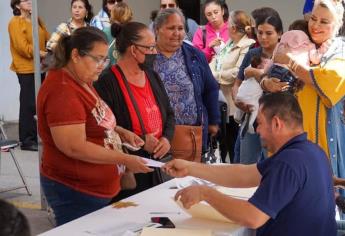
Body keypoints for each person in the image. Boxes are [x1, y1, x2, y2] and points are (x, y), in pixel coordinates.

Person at [163, 92, 337, 236]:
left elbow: (252, 217)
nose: (258, 130)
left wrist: (206, 193)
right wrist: (190, 168)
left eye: (259, 123)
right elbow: (245, 174)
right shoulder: (313, 151)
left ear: (276, 123)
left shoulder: (288, 162)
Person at [37, 27, 152, 226]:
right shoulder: (63, 90)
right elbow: (74, 146)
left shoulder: (82, 78)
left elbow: (92, 118)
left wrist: (118, 131)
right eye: (97, 59)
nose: (102, 65)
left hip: (93, 189)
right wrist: (124, 158)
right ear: (75, 55)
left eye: (105, 59)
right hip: (75, 190)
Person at [94, 22, 175, 198]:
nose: (155, 52)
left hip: (158, 165)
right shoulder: (107, 82)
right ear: (133, 50)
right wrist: (139, 141)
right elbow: (105, 129)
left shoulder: (152, 75)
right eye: (150, 47)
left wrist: (166, 139)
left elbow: (169, 113)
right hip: (131, 170)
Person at [267, 0, 345, 180]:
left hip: (322, 145)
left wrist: (289, 61)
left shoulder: (340, 50)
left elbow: (326, 82)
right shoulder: (300, 39)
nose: (315, 26)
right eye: (313, 19)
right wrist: (266, 82)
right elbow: (272, 67)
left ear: (337, 25)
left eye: (324, 22)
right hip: (288, 139)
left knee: (320, 197)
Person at [153, 8, 220, 156]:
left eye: (180, 28)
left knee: (189, 177)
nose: (177, 33)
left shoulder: (194, 55)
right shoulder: (147, 56)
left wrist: (214, 121)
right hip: (158, 135)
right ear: (158, 29)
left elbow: (211, 87)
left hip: (191, 133)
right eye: (171, 28)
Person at [232, 12, 283, 164]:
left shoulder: (285, 56)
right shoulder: (253, 53)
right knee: (246, 164)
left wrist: (256, 73)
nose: (263, 37)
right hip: (251, 119)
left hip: (276, 120)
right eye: (260, 33)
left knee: (273, 166)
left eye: (269, 33)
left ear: (279, 34)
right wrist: (237, 101)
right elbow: (237, 83)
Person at [209, 10, 255, 163]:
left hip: (234, 106)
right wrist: (215, 72)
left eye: (228, 24)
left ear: (234, 28)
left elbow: (237, 72)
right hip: (220, 103)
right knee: (223, 146)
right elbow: (214, 62)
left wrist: (215, 75)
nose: (226, 27)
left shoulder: (248, 46)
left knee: (234, 147)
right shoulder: (229, 44)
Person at [8, 0, 50, 151]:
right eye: (25, 0)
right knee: (28, 104)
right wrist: (40, 53)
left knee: (38, 103)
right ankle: (26, 140)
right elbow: (21, 47)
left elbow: (46, 36)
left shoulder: (35, 19)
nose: (30, 2)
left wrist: (49, 49)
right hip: (26, 68)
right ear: (18, 5)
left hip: (39, 67)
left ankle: (36, 137)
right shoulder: (15, 22)